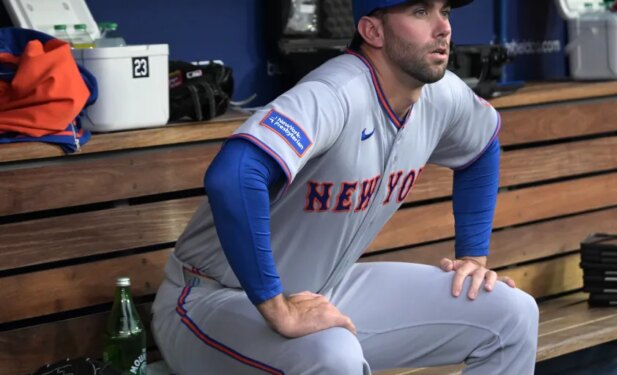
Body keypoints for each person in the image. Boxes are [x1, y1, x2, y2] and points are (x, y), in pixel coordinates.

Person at [151, 0, 539, 373]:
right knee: (333, 354)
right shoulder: (334, 93)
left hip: (323, 289)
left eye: (445, 11)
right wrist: (278, 308)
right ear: (373, 30)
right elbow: (233, 175)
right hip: (208, 299)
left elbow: (483, 146)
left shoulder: (442, 95)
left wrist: (473, 259)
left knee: (512, 313)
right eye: (421, 11)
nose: (444, 28)